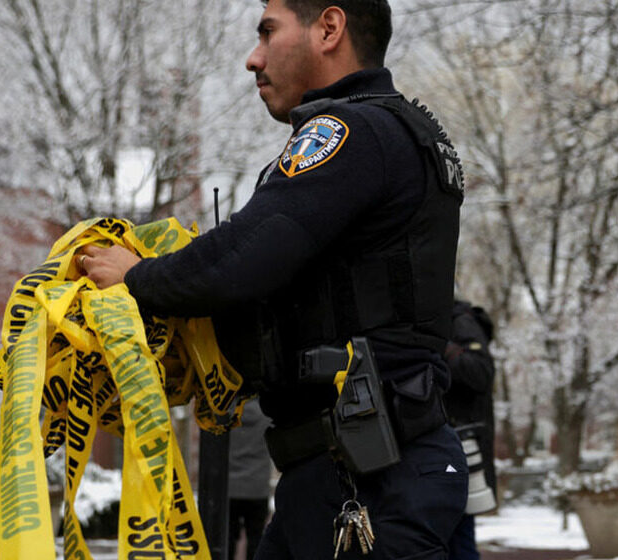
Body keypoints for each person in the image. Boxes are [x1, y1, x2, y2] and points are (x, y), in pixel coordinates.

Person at [78, 0, 469, 558]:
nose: (252, 59)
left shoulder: (349, 132)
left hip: (371, 481)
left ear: (328, 28)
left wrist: (137, 276)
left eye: (268, 32)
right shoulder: (394, 129)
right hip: (346, 473)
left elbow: (243, 256)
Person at [442, 300, 497, 560]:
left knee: (458, 537)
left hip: (457, 448)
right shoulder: (448, 319)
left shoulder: (459, 321)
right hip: (446, 448)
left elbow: (481, 372)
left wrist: (441, 348)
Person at [229, 401, 273, 560]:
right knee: (256, 541)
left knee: (227, 541)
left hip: (229, 488)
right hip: (257, 487)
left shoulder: (227, 413)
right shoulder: (265, 415)